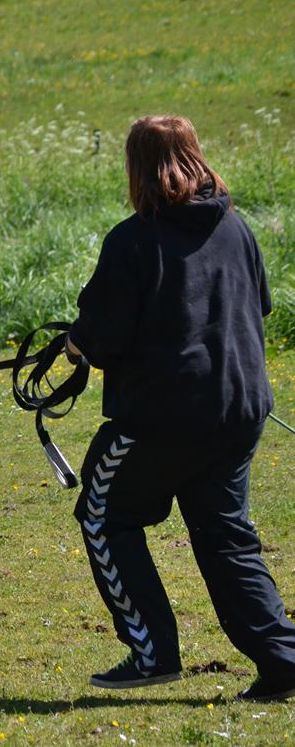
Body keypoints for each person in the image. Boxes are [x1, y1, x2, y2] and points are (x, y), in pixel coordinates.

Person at [65, 115, 295, 701]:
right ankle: (283, 661)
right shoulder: (237, 230)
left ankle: (152, 651)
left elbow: (99, 339)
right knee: (227, 539)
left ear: (138, 168)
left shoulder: (132, 240)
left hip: (162, 418)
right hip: (237, 409)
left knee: (103, 514)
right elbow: (253, 312)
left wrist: (75, 343)